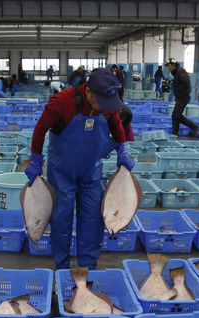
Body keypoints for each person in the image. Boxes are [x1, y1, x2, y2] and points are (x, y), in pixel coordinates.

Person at [24, 68, 134, 271]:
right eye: (101, 102)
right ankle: (62, 266)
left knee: (93, 220)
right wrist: (36, 160)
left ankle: (87, 269)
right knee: (61, 218)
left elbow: (117, 124)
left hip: (92, 171)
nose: (105, 108)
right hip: (62, 172)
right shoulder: (61, 101)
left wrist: (122, 150)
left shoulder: (107, 104)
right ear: (89, 92)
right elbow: (40, 129)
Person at [167, 60, 199, 138]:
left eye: (169, 65)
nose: (168, 67)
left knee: (178, 115)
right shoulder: (176, 72)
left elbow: (186, 84)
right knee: (174, 115)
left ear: (173, 65)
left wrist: (178, 91)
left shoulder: (180, 72)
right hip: (180, 97)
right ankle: (175, 134)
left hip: (183, 97)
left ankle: (194, 127)